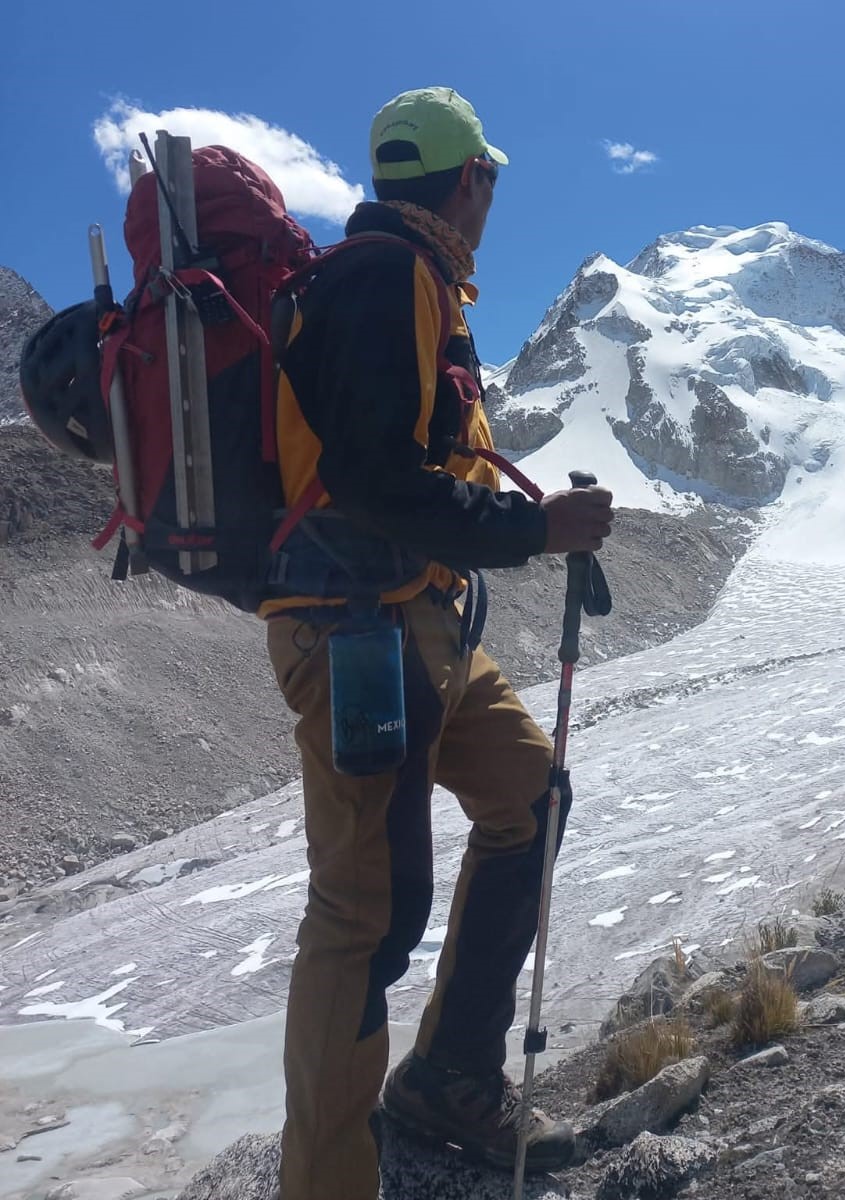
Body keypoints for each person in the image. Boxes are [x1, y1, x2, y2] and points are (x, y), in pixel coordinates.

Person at [263, 86, 614, 1200]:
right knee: (363, 915)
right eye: (490, 178)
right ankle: (325, 1184)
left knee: (529, 795)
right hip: (360, 634)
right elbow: (378, 484)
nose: (492, 197)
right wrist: (536, 530)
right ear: (469, 181)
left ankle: (448, 1074)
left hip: (421, 623)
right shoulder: (387, 280)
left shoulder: (406, 278)